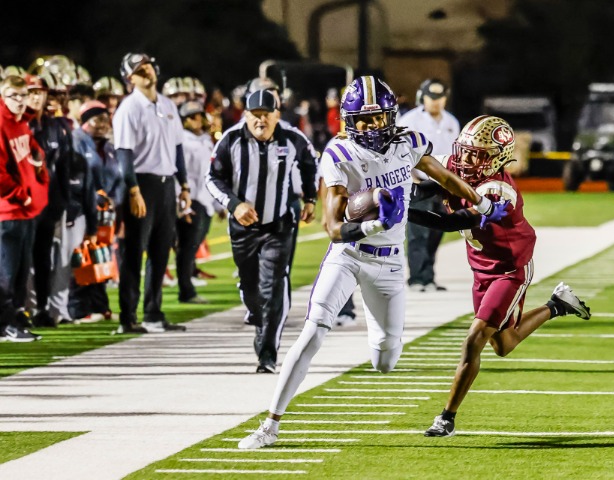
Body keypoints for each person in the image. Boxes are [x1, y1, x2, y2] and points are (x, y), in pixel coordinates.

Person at [237, 76, 507, 449]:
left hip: (390, 265)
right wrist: (377, 221)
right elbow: (333, 229)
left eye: (377, 117)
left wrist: (483, 204)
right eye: (362, 120)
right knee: (313, 331)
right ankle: (270, 424)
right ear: (349, 121)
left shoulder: (408, 142)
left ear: (390, 115)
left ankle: (375, 326)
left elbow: (444, 177)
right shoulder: (339, 153)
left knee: (385, 359)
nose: (370, 126)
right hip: (349, 256)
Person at [419, 115, 591, 437]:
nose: (466, 160)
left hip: (509, 269)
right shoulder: (459, 163)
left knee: (474, 340)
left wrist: (401, 214)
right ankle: (557, 305)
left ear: (497, 158)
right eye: (465, 151)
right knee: (503, 344)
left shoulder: (498, 190)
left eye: (477, 155)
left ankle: (446, 418)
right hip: (480, 268)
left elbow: (450, 222)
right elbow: (427, 176)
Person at [207, 89, 318, 373]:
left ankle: (268, 352)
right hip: (243, 226)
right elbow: (212, 178)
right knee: (250, 287)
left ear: (276, 115)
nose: (260, 120)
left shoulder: (292, 138)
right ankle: (258, 318)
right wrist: (234, 205)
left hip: (278, 225)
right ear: (245, 116)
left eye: (266, 115)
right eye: (254, 115)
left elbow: (311, 164)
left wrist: (310, 198)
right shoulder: (231, 139)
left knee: (274, 284)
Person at [113, 52, 191, 334]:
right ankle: (128, 317)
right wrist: (133, 190)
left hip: (166, 184)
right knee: (134, 253)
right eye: (139, 69)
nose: (146, 71)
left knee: (161, 250)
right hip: (141, 183)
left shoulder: (167, 104)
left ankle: (153, 313)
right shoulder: (129, 108)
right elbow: (124, 154)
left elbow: (177, 148)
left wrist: (184, 185)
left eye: (147, 66)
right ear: (130, 78)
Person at [397, 79, 460, 292]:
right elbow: (400, 154)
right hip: (419, 182)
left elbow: (454, 154)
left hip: (443, 185)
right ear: (422, 97)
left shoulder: (451, 121)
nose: (435, 102)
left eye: (439, 97)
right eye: (431, 97)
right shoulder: (409, 120)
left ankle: (429, 276)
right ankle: (416, 278)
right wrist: (412, 180)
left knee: (437, 231)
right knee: (418, 232)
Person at [0, 75, 49, 341]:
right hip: (8, 210)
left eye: (23, 95)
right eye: (13, 96)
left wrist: (39, 176)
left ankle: (15, 320)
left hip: (25, 210)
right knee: (6, 274)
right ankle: (5, 324)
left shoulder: (22, 123)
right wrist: (21, 195)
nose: (20, 101)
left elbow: (35, 154)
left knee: (20, 272)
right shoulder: (2, 123)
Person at [27, 71, 72, 328]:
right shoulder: (18, 125)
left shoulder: (56, 127)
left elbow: (64, 166)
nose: (36, 98)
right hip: (23, 203)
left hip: (49, 203)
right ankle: (19, 309)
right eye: (31, 93)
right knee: (21, 260)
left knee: (44, 258)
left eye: (40, 93)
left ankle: (42, 308)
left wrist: (64, 201)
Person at [69, 100, 121, 321]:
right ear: (84, 121)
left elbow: (118, 178)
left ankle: (100, 305)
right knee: (81, 258)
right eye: (97, 119)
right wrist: (94, 196)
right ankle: (79, 308)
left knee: (101, 256)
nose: (102, 124)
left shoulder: (108, 148)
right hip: (81, 209)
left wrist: (114, 199)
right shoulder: (76, 141)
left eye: (105, 119)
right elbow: (74, 177)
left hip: (105, 212)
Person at [175, 100, 215, 304]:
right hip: (191, 199)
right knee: (187, 247)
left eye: (198, 115)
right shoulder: (182, 141)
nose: (196, 120)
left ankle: (187, 284)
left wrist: (217, 203)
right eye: (191, 117)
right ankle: (186, 290)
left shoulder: (206, 140)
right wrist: (183, 203)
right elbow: (179, 173)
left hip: (205, 199)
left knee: (193, 246)